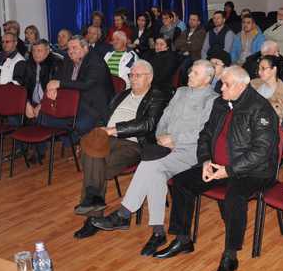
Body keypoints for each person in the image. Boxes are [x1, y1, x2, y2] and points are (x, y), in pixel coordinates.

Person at [154, 66, 279, 271]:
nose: (221, 88)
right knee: (181, 181)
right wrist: (205, 160)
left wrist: (229, 170)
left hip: (253, 171)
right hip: (218, 165)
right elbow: (206, 134)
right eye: (221, 83)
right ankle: (183, 239)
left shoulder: (261, 109)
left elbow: (262, 151)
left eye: (226, 85)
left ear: (241, 86)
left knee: (234, 197)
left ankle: (230, 256)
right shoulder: (221, 103)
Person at [88, 60, 218, 254]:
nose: (190, 74)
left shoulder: (213, 100)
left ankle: (125, 215)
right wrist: (161, 136)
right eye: (191, 71)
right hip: (165, 145)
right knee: (153, 170)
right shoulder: (181, 92)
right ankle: (157, 231)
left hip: (191, 151)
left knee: (150, 166)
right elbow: (164, 118)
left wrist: (175, 139)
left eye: (195, 73)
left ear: (207, 79)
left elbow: (204, 132)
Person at [73, 60, 166, 236]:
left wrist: (114, 130)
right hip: (106, 138)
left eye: (138, 75)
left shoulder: (157, 97)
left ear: (149, 78)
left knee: (94, 162)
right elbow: (104, 117)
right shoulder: (121, 95)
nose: (133, 79)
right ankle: (93, 215)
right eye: (131, 75)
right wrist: (98, 132)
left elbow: (147, 124)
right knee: (94, 157)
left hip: (132, 143)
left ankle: (91, 213)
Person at [46, 35, 114, 143]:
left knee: (77, 125)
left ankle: (72, 142)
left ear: (85, 48)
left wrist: (59, 84)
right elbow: (57, 77)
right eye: (69, 48)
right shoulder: (68, 59)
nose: (70, 51)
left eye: (74, 48)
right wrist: (53, 88)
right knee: (44, 117)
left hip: (93, 107)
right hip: (74, 102)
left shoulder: (96, 61)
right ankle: (68, 142)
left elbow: (86, 84)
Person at [24, 39, 62, 123]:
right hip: (32, 102)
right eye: (33, 51)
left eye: (39, 51)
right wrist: (26, 102)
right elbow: (24, 85)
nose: (35, 54)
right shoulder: (28, 63)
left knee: (42, 120)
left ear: (47, 51)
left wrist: (43, 104)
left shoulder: (56, 63)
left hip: (49, 102)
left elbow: (56, 90)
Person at [251, 55, 283, 120]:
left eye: (263, 68)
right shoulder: (253, 84)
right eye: (259, 68)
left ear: (274, 69)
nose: (259, 72)